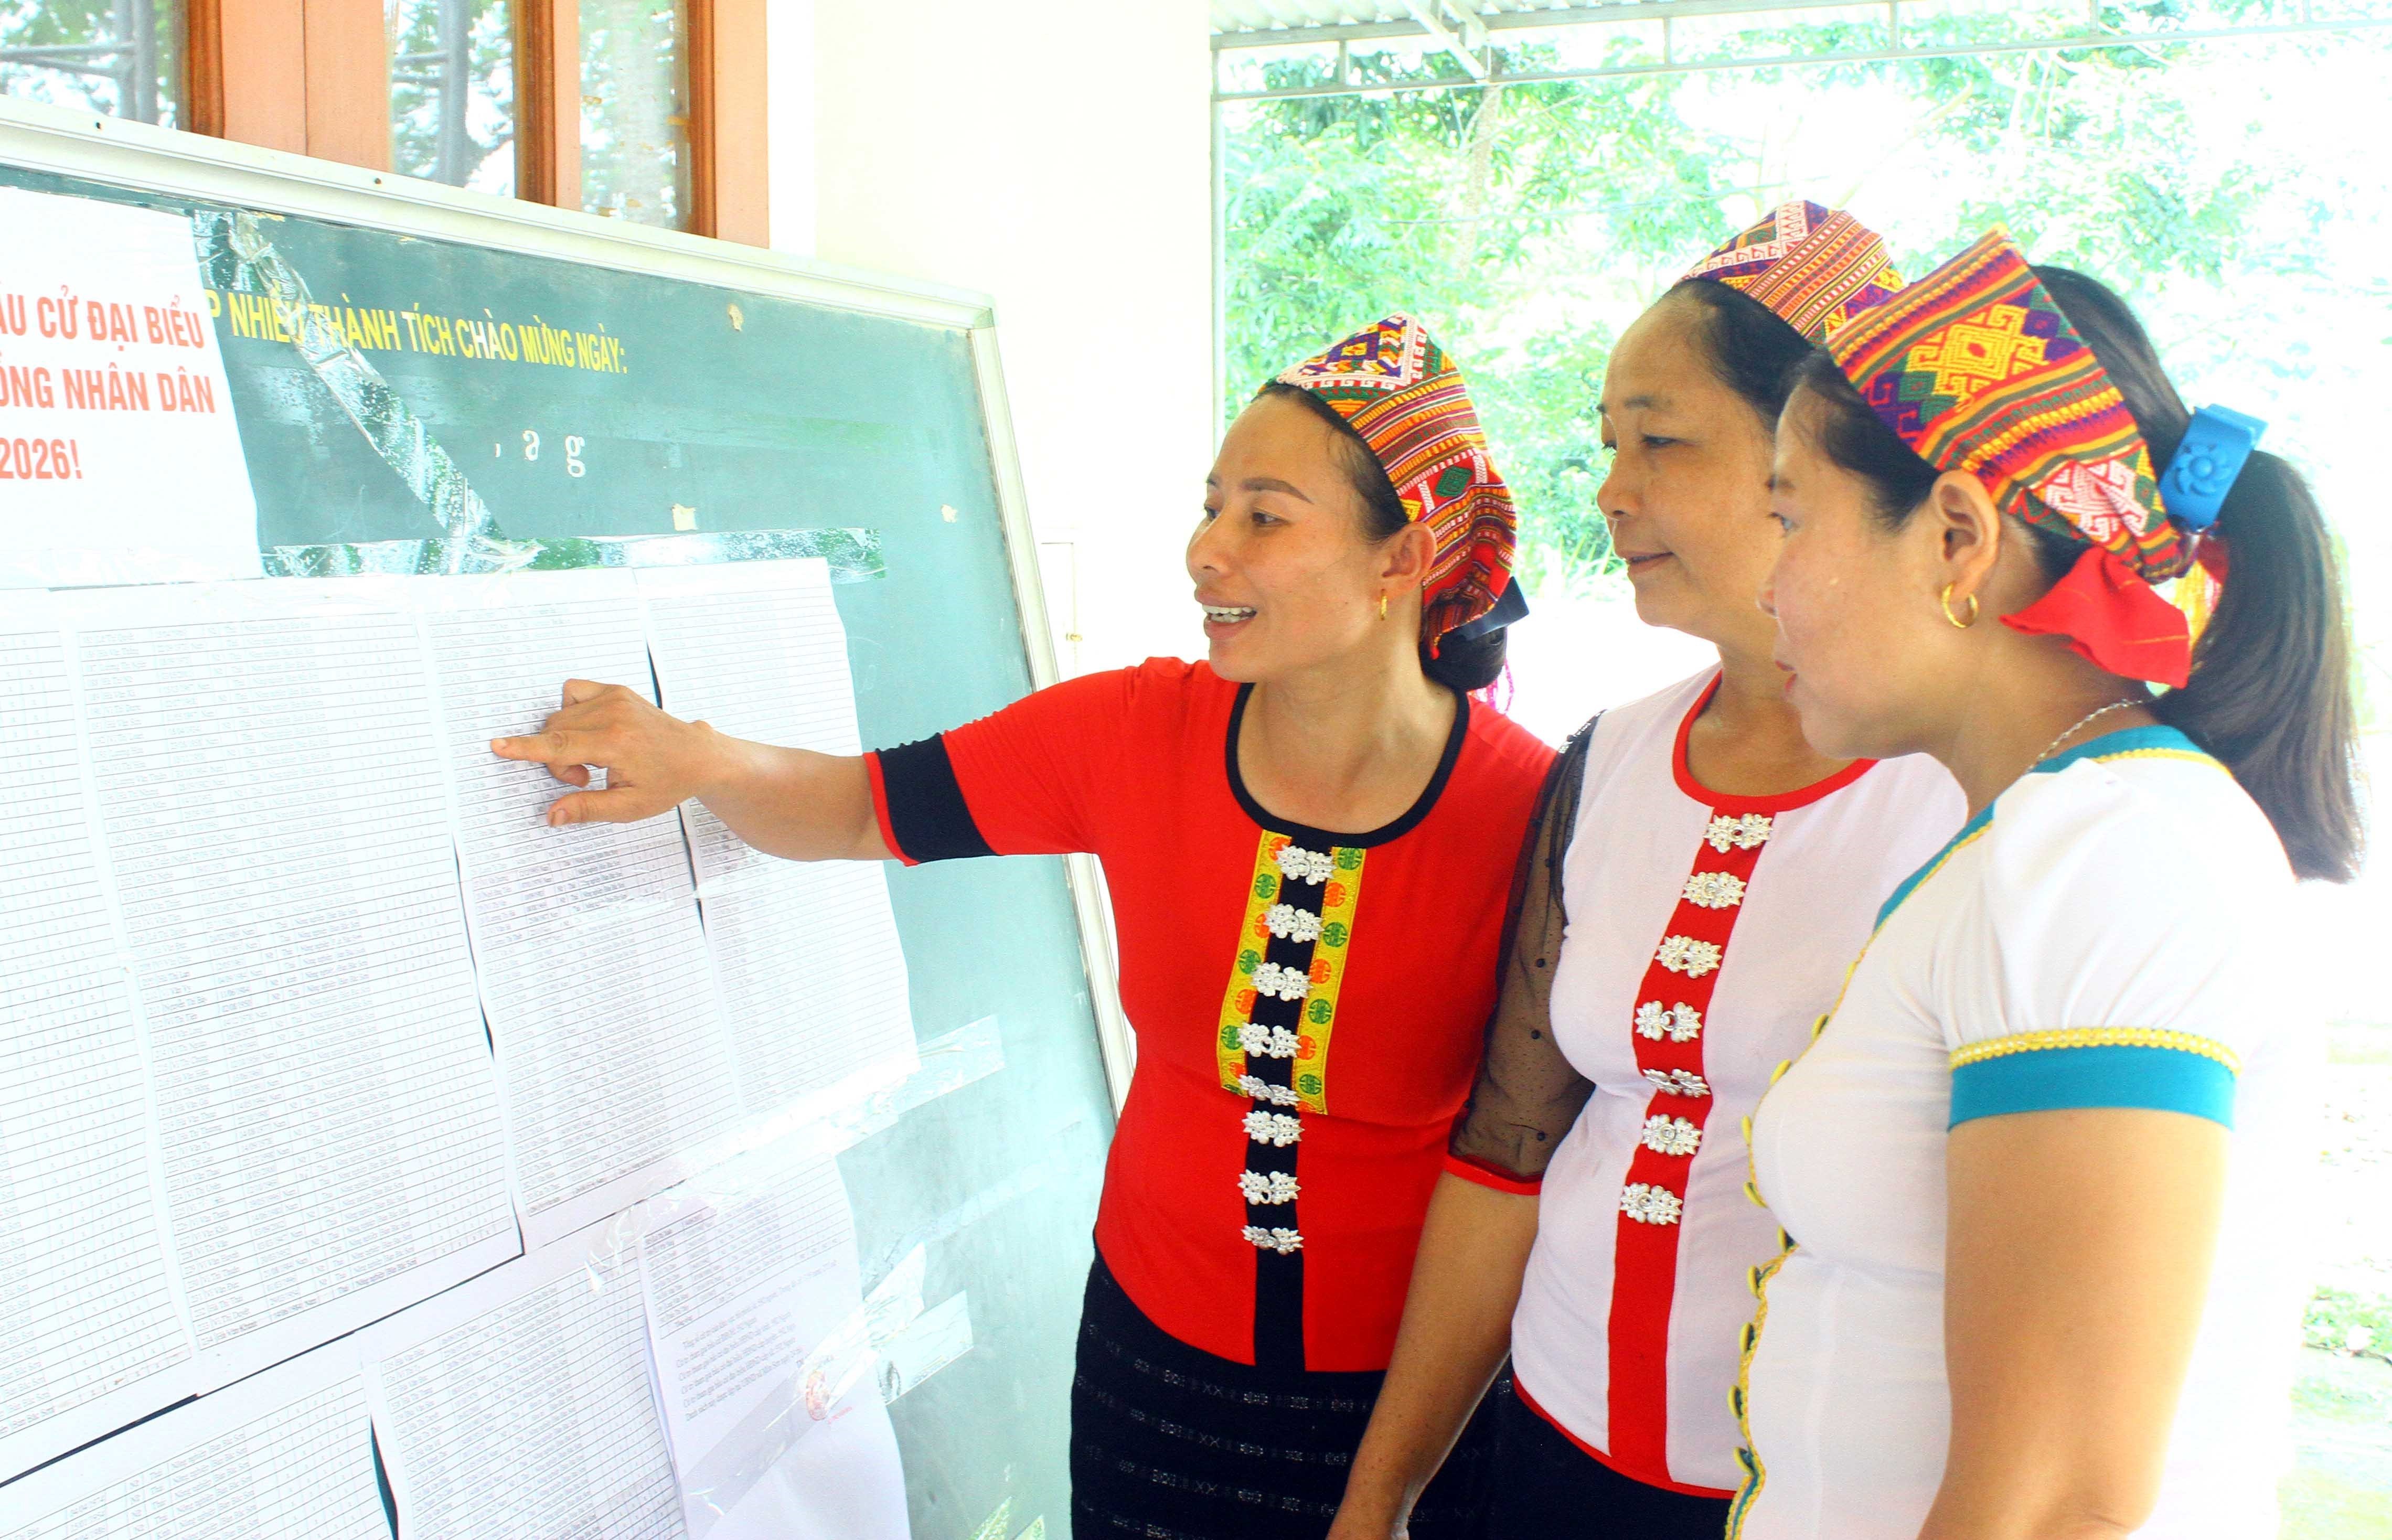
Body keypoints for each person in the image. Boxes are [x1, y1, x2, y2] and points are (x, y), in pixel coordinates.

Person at [489, 314, 1555, 1539]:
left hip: (1415, 1411)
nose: (1206, 551)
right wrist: (698, 756)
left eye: (1264, 517)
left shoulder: (1534, 814)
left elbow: (1522, 1169)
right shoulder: (1133, 731)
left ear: (1401, 557)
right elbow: (865, 806)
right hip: (1153, 1373)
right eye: (1211, 506)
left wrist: (1383, 1496)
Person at [1328, 204, 1966, 1540]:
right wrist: (1380, 1495)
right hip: (1550, 1450)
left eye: (1661, 441)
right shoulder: (1612, 759)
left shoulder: (1962, 793)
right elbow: (1508, 1153)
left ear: (1815, 453)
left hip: (1823, 1496)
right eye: (1609, 443)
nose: (1613, 490)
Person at [1739, 229, 2363, 1539]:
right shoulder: (2061, 830)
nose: (1766, 585)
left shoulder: (2111, 853)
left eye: (1789, 519)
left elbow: (2056, 1502)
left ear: (1957, 536)